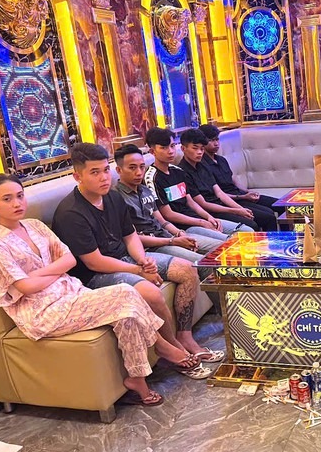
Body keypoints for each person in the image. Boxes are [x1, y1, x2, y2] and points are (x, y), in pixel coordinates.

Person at [0, 174, 196, 405]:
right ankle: (161, 345)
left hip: (72, 292)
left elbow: (69, 260)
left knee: (126, 314)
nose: (17, 203)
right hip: (41, 311)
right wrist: (53, 272)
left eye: (20, 196)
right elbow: (26, 287)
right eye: (7, 199)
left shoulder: (35, 226)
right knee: (125, 293)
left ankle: (137, 379)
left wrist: (40, 274)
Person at [53, 143, 222, 379]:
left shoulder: (112, 197)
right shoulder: (71, 213)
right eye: (95, 172)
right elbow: (94, 262)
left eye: (105, 170)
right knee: (151, 293)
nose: (103, 178)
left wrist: (144, 261)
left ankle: (185, 336)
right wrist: (138, 270)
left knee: (187, 269)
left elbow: (130, 235)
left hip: (126, 258)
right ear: (77, 176)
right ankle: (172, 349)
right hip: (96, 276)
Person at [114, 144, 224, 259]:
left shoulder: (145, 190)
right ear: (119, 170)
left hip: (167, 236)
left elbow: (162, 221)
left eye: (142, 167)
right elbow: (131, 238)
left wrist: (179, 233)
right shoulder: (116, 198)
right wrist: (172, 241)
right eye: (132, 168)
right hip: (151, 246)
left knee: (223, 246)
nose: (139, 172)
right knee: (202, 261)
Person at [143, 127, 254, 235]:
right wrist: (201, 222)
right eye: (164, 148)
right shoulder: (152, 177)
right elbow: (168, 214)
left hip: (197, 218)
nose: (171, 151)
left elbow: (190, 202)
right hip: (184, 226)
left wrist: (208, 217)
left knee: (247, 231)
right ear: (152, 151)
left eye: (172, 146)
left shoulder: (178, 171)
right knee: (228, 240)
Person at [178, 128, 277, 231]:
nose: (199, 152)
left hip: (222, 204)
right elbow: (203, 204)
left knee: (267, 216)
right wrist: (235, 210)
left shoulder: (203, 165)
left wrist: (240, 209)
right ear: (183, 149)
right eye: (195, 148)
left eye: (202, 149)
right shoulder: (182, 172)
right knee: (253, 224)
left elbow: (219, 192)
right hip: (210, 211)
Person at [200, 123, 284, 215]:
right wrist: (243, 197)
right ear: (202, 143)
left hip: (241, 194)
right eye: (211, 141)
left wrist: (248, 192)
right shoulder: (202, 165)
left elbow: (233, 179)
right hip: (230, 200)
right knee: (268, 215)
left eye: (217, 139)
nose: (216, 144)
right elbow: (217, 194)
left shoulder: (221, 160)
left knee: (282, 205)